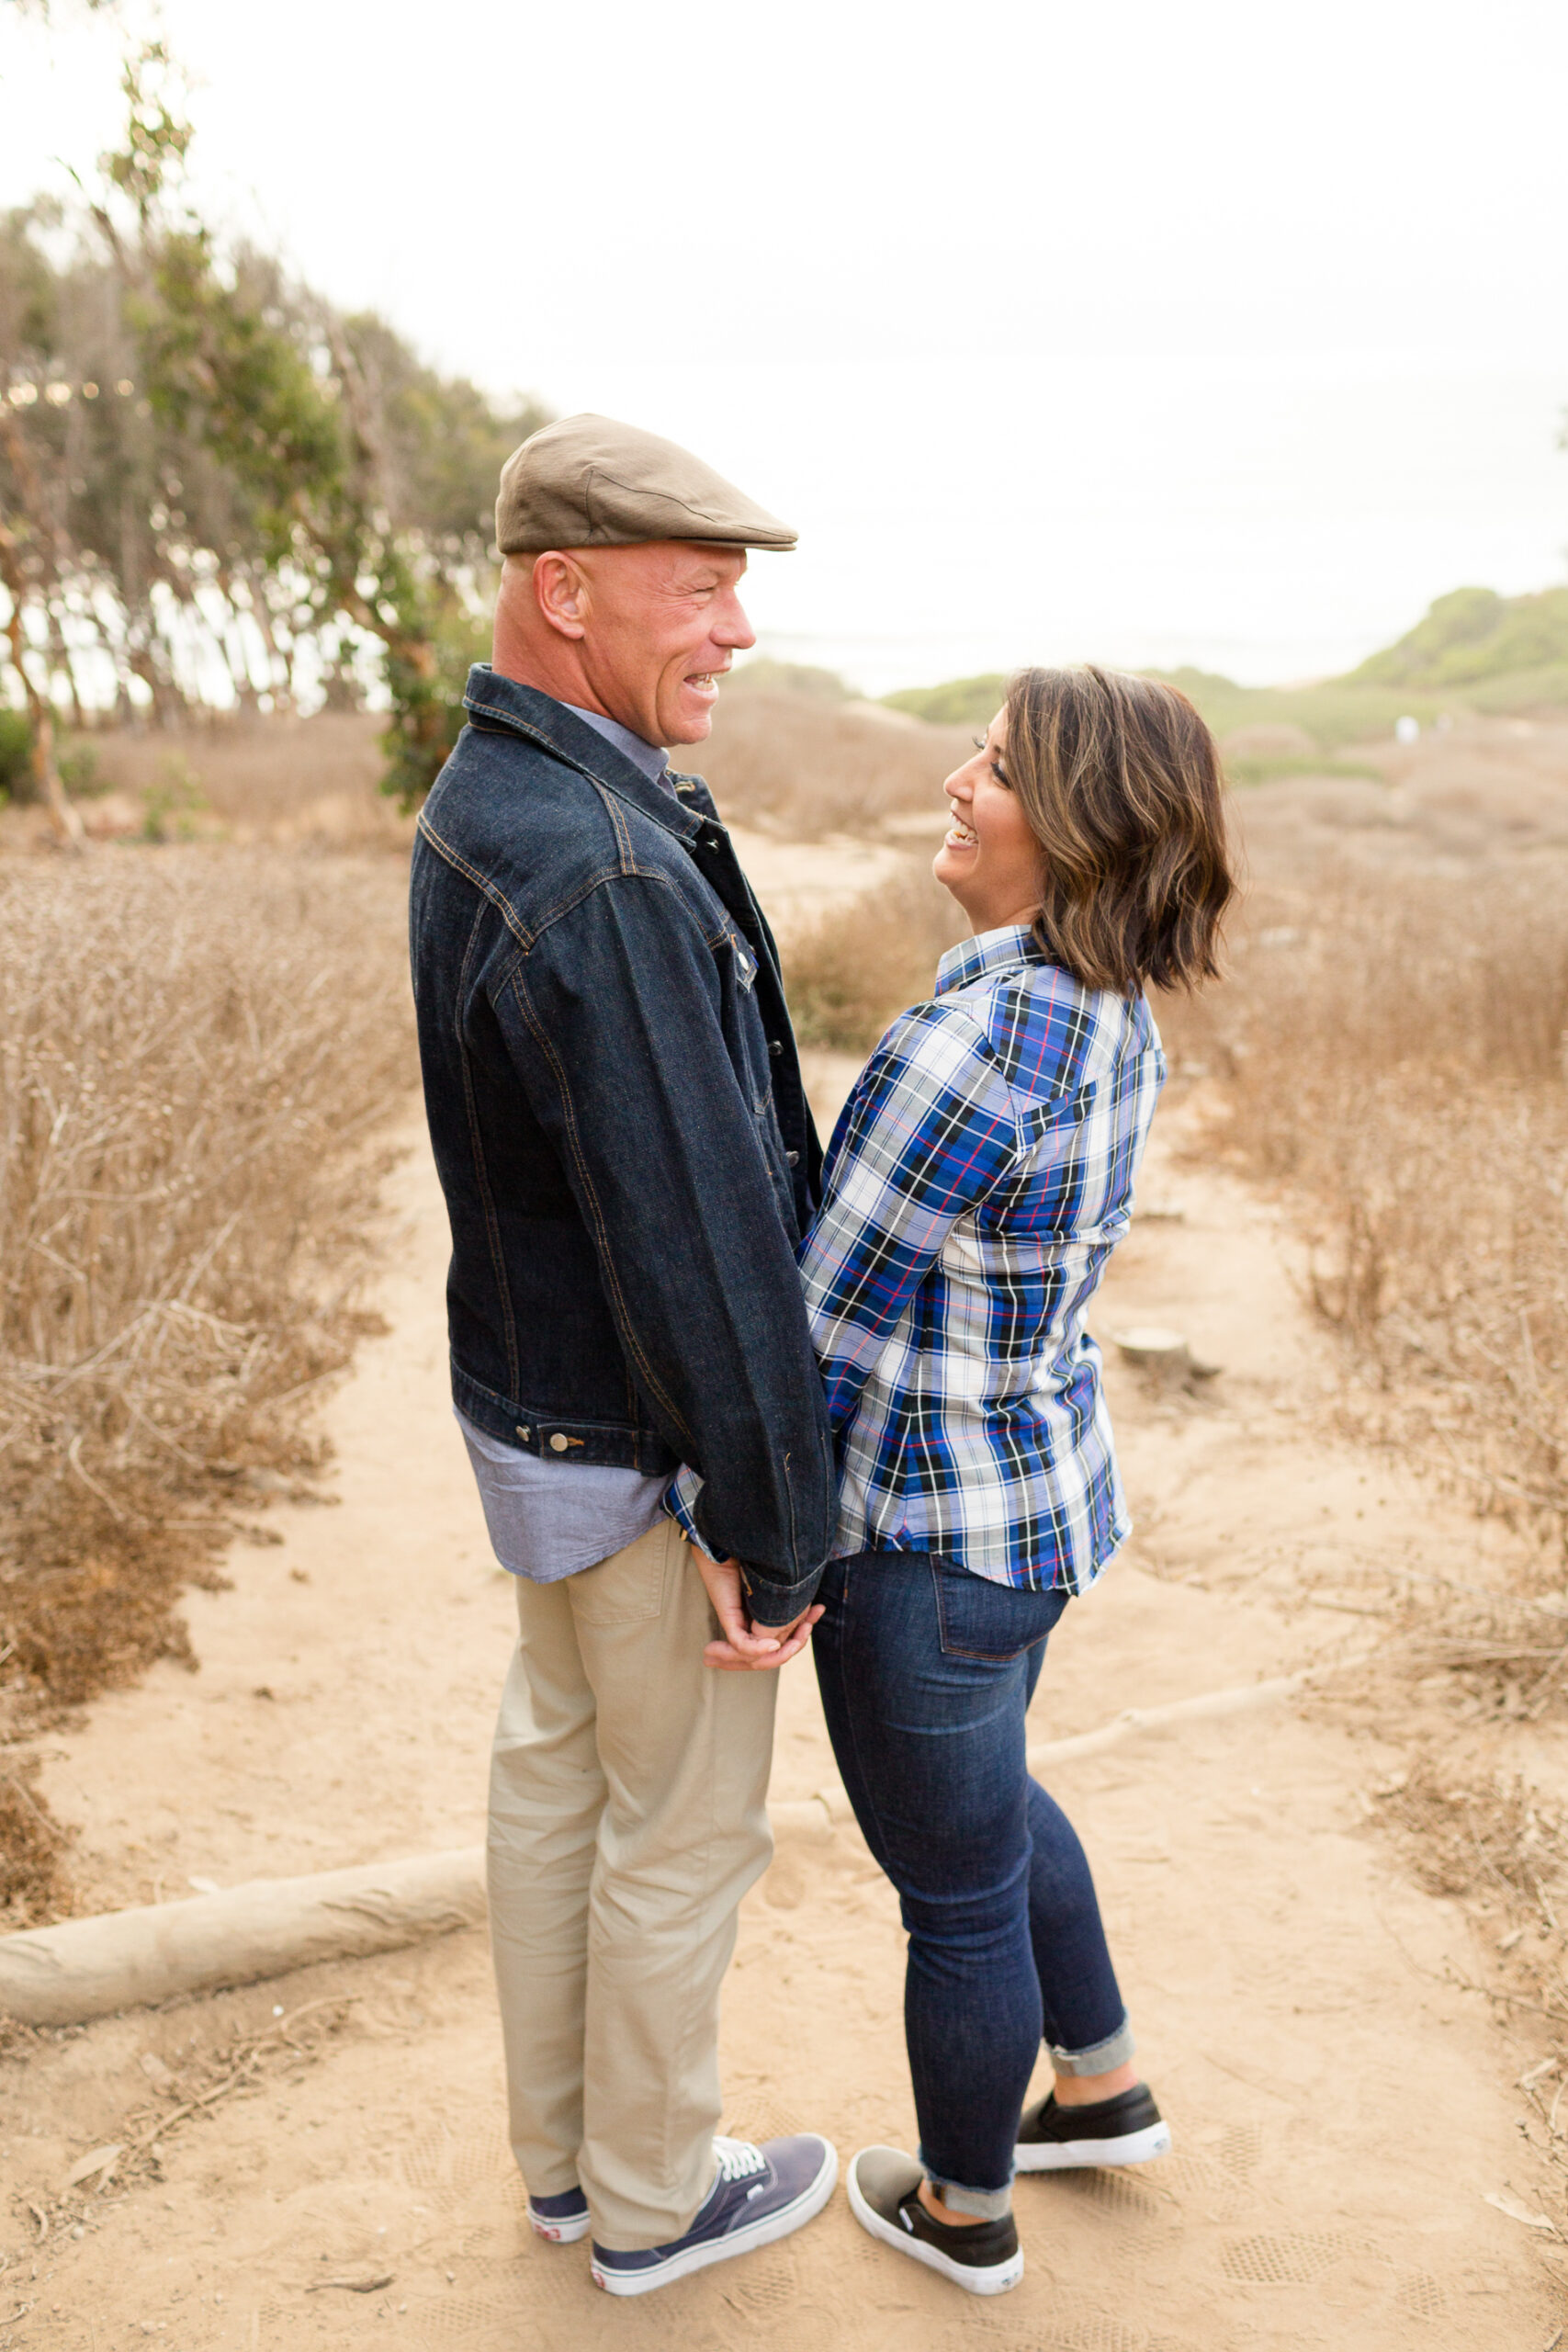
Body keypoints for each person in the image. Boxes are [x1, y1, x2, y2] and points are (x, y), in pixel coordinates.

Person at [408, 414, 839, 2299]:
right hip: (646, 1460)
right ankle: (657, 2203)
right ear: (559, 590)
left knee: (561, 1776)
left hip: (538, 1430)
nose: (735, 623)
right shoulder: (599, 861)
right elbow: (697, 1243)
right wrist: (775, 1515)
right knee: (679, 1825)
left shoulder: (491, 798)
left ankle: (570, 2169)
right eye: (701, 579)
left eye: (738, 582)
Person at [802, 665, 1235, 2294]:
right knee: (992, 1810)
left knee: (955, 1893)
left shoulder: (980, 1036)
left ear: (1065, 822)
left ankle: (965, 2212)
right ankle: (1100, 2082)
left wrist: (748, 1536)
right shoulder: (1097, 1006)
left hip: (921, 1541)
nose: (953, 784)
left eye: (988, 768)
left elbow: (817, 1332)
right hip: (1031, 1512)